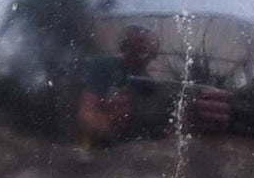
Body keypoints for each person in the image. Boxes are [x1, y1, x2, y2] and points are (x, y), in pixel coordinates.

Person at [77, 24, 231, 145]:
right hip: (100, 155)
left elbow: (162, 132)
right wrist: (108, 123)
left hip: (137, 158)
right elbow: (85, 116)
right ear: (125, 43)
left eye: (146, 41)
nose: (140, 40)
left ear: (154, 53)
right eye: (136, 38)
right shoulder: (103, 66)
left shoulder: (151, 84)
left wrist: (184, 125)